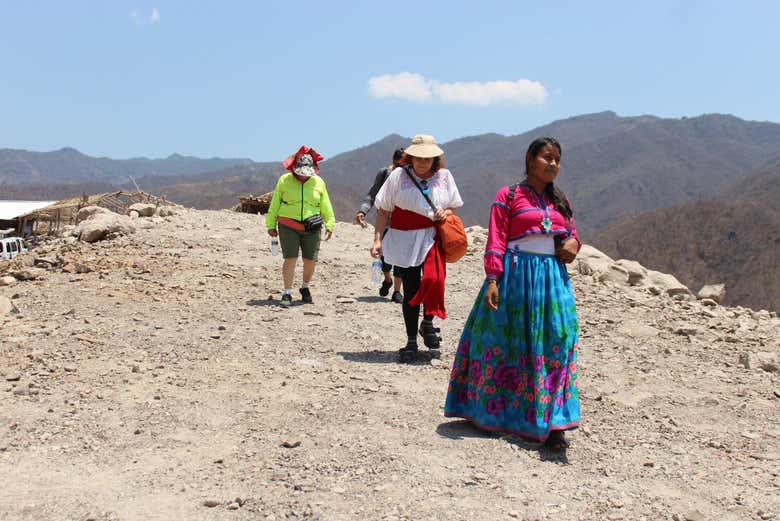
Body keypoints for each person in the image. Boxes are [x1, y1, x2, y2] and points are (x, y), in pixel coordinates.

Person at [444, 137, 582, 451]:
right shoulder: (508, 196)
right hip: (516, 278)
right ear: (530, 159)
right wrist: (493, 278)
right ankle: (496, 413)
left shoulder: (561, 200)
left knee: (557, 341)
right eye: (547, 157)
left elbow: (572, 235)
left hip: (552, 280)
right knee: (508, 343)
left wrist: (574, 246)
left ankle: (554, 420)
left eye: (557, 159)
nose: (553, 164)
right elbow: (496, 240)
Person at [370, 135, 463, 363]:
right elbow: (384, 210)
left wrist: (445, 213)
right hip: (404, 239)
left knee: (434, 281)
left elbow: (452, 207)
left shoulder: (444, 177)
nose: (423, 162)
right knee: (411, 290)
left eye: (428, 158)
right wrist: (377, 239)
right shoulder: (398, 176)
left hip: (432, 237)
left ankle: (428, 322)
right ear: (410, 157)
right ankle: (411, 341)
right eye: (418, 157)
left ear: (435, 158)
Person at [266, 146, 335, 307]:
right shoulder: (284, 180)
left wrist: (330, 224)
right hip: (288, 224)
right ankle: (287, 292)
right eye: (300, 173)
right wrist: (270, 224)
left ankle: (305, 287)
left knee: (310, 260)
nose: (303, 177)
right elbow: (275, 202)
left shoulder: (319, 182)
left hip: (312, 226)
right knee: (290, 258)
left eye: (306, 174)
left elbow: (326, 205)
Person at [355, 148, 405, 303]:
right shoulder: (385, 173)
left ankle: (397, 291)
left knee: (400, 257)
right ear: (394, 161)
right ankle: (387, 279)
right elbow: (372, 193)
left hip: (403, 224)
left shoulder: (410, 176)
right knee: (383, 255)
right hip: (384, 222)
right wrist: (363, 210)